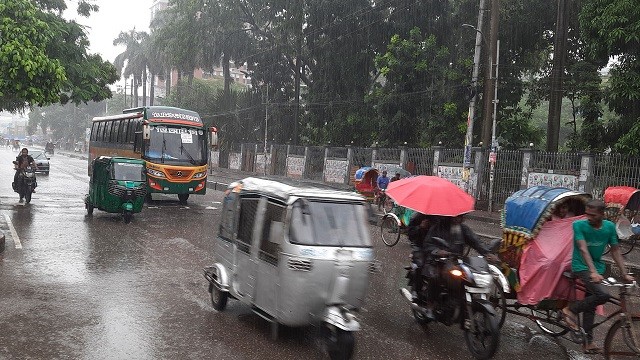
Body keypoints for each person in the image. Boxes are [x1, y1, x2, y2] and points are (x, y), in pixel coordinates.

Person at [561, 199, 634, 354]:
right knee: (603, 294)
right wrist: (592, 271)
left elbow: (615, 250)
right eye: (587, 214)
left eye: (593, 215)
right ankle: (570, 310)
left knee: (592, 304)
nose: (589, 217)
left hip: (597, 268)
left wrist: (624, 273)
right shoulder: (579, 225)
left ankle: (587, 342)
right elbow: (582, 248)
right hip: (580, 266)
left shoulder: (608, 227)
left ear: (602, 214)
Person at [417, 215, 498, 318]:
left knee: (469, 277)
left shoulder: (463, 229)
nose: (458, 218)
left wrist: (487, 254)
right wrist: (438, 251)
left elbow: (476, 242)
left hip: (457, 262)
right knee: (436, 276)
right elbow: (428, 244)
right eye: (456, 216)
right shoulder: (437, 227)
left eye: (461, 216)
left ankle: (460, 302)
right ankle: (430, 305)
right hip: (436, 262)